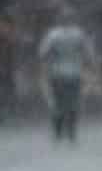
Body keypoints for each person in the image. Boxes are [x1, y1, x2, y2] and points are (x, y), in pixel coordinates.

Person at [36, 14, 91, 143]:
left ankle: (58, 132)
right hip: (75, 73)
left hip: (57, 73)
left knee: (58, 103)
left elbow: (43, 53)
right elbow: (88, 53)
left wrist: (47, 64)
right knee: (74, 102)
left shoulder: (52, 35)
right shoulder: (79, 34)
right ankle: (71, 131)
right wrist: (87, 64)